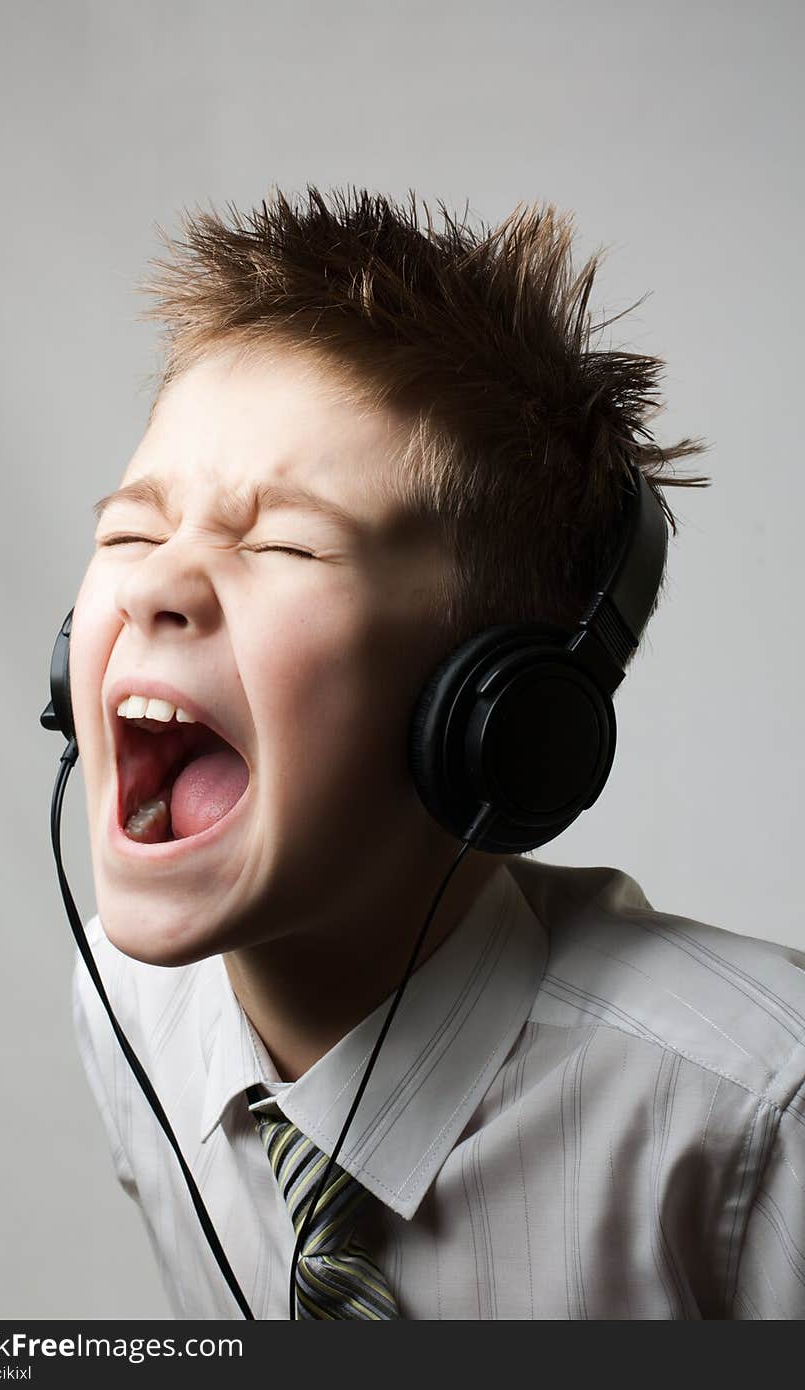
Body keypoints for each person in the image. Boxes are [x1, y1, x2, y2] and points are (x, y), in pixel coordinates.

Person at [69, 185, 805, 1319]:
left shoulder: (756, 1120)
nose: (157, 583)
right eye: (130, 530)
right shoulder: (127, 1010)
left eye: (285, 544)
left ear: (499, 720)